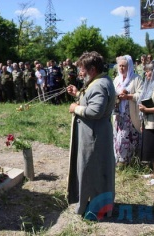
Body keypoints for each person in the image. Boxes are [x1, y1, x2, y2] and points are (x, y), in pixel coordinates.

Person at [67, 51, 116, 218]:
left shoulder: (98, 85)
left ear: (92, 69)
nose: (80, 73)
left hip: (94, 137)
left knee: (93, 171)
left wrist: (76, 108)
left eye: (82, 69)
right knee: (96, 170)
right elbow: (92, 99)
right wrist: (78, 94)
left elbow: (95, 110)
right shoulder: (100, 80)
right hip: (97, 133)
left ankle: (96, 209)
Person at [113, 55, 143, 166]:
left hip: (131, 114)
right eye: (120, 66)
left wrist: (128, 96)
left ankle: (131, 161)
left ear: (129, 66)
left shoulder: (136, 78)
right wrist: (117, 96)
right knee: (119, 137)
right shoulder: (117, 79)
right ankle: (120, 160)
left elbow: (141, 94)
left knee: (130, 137)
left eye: (124, 66)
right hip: (118, 113)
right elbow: (112, 93)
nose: (121, 68)